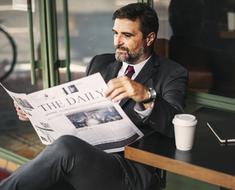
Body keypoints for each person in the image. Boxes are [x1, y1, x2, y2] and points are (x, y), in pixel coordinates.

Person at [0, 3, 188, 190]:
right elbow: (77, 108)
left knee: (64, 150)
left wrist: (146, 96)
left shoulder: (171, 73)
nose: (117, 41)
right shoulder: (100, 63)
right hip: (88, 156)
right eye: (116, 33)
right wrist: (36, 112)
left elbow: (175, 125)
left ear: (149, 38)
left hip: (131, 170)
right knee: (55, 162)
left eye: (127, 35)